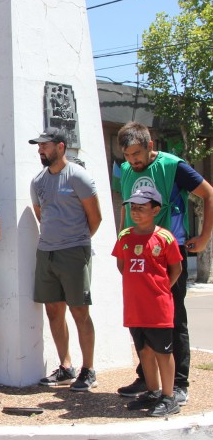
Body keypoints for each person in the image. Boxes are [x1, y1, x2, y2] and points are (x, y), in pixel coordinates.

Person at [116, 121, 213, 405]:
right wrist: (122, 244)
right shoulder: (125, 171)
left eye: (136, 153)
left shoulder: (173, 166)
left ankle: (179, 383)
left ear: (150, 146)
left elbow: (208, 193)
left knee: (172, 318)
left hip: (168, 251)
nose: (132, 160)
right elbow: (126, 208)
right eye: (127, 155)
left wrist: (205, 237)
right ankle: (148, 380)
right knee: (141, 319)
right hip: (137, 253)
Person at [29, 127, 102, 391]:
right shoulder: (38, 182)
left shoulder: (79, 177)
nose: (40, 150)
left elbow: (95, 217)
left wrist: (75, 241)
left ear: (60, 147)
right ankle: (66, 366)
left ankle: (88, 369)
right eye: (39, 146)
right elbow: (42, 214)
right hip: (46, 252)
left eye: (44, 146)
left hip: (74, 251)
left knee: (80, 311)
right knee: (53, 311)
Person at [112, 187, 182, 417]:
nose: (136, 212)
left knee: (163, 352)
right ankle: (152, 392)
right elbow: (122, 266)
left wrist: (158, 290)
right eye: (133, 207)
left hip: (158, 307)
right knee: (144, 351)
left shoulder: (164, 237)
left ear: (156, 210)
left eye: (142, 208)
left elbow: (176, 269)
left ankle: (168, 396)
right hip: (135, 307)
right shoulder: (124, 236)